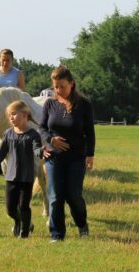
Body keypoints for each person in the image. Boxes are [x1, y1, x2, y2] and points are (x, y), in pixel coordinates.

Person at [38, 66, 96, 242]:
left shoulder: (83, 104)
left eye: (62, 86)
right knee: (55, 196)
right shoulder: (49, 104)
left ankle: (82, 224)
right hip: (53, 157)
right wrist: (50, 139)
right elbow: (41, 128)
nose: (58, 90)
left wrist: (90, 154)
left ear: (71, 84)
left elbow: (90, 132)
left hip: (76, 158)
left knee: (74, 196)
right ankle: (57, 235)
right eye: (55, 87)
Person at [0, 101, 43, 238]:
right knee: (10, 210)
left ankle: (24, 233)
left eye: (14, 114)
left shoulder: (33, 135)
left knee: (24, 206)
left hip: (26, 177)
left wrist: (41, 152)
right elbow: (1, 153)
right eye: (9, 115)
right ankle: (21, 222)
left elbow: (37, 150)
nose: (11, 118)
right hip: (11, 177)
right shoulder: (8, 134)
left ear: (24, 115)